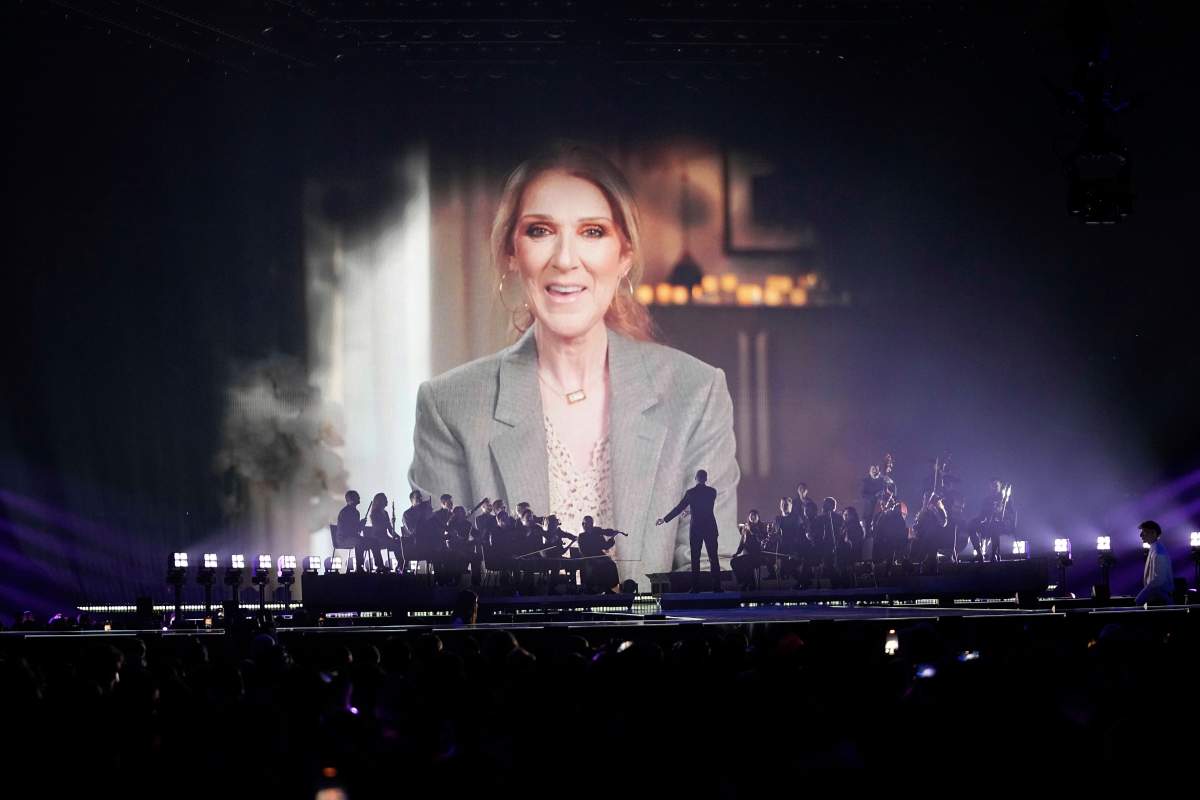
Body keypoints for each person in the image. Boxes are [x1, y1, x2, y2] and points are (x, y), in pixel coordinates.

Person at [408, 142, 739, 591]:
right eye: (541, 230)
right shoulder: (448, 407)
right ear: (512, 251)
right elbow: (447, 594)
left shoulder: (697, 392)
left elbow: (707, 583)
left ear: (624, 254)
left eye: (593, 232)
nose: (565, 259)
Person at [657, 469, 723, 592]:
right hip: (710, 528)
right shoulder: (712, 492)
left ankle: (696, 588)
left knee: (695, 559)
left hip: (696, 529)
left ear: (696, 479)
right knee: (713, 558)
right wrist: (690, 510)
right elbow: (704, 506)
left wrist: (664, 519)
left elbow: (678, 508)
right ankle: (717, 587)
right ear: (706, 478)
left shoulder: (691, 493)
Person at [1135, 520, 1174, 605]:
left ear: (1153, 533)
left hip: (1160, 600)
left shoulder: (1159, 552)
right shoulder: (1155, 549)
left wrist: (1142, 596)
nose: (1141, 535)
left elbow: (1158, 579)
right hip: (1157, 598)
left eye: (1144, 532)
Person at [337, 491, 366, 571]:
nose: (359, 497)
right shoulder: (345, 512)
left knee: (372, 542)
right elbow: (349, 530)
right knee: (360, 542)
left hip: (352, 537)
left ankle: (379, 566)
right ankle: (359, 567)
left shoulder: (356, 512)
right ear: (351, 499)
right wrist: (360, 525)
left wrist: (361, 525)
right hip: (344, 539)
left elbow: (356, 530)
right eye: (357, 496)